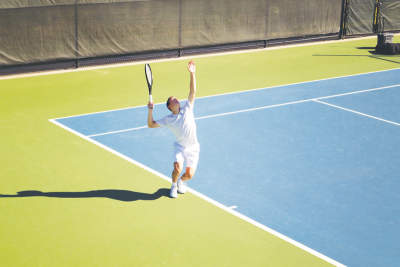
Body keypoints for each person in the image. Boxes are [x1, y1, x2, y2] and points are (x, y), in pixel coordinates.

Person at [147, 61, 199, 198]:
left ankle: (181, 181)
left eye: (176, 97)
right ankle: (174, 186)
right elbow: (151, 124)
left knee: (189, 175)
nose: (175, 98)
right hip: (180, 147)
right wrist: (150, 111)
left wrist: (192, 73)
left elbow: (193, 91)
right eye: (172, 99)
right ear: (170, 106)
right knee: (178, 168)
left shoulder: (188, 107)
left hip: (193, 148)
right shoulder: (167, 119)